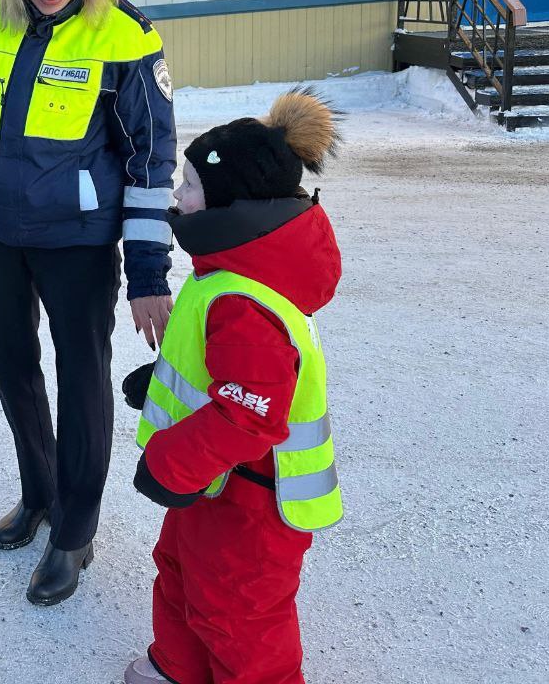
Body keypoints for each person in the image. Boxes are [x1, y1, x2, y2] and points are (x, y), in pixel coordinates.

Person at [0, 0, 178, 606]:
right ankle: (39, 493)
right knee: (14, 369)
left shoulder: (125, 36)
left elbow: (150, 160)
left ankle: (75, 531)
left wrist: (146, 273)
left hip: (77, 241)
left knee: (81, 379)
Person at [126, 88, 345, 684]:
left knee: (240, 612)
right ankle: (180, 666)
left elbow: (249, 414)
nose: (177, 195)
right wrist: (162, 382)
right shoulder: (227, 270)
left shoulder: (247, 302)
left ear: (230, 200)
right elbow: (224, 370)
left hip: (253, 501)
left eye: (190, 184)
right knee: (179, 572)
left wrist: (170, 462)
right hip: (215, 486)